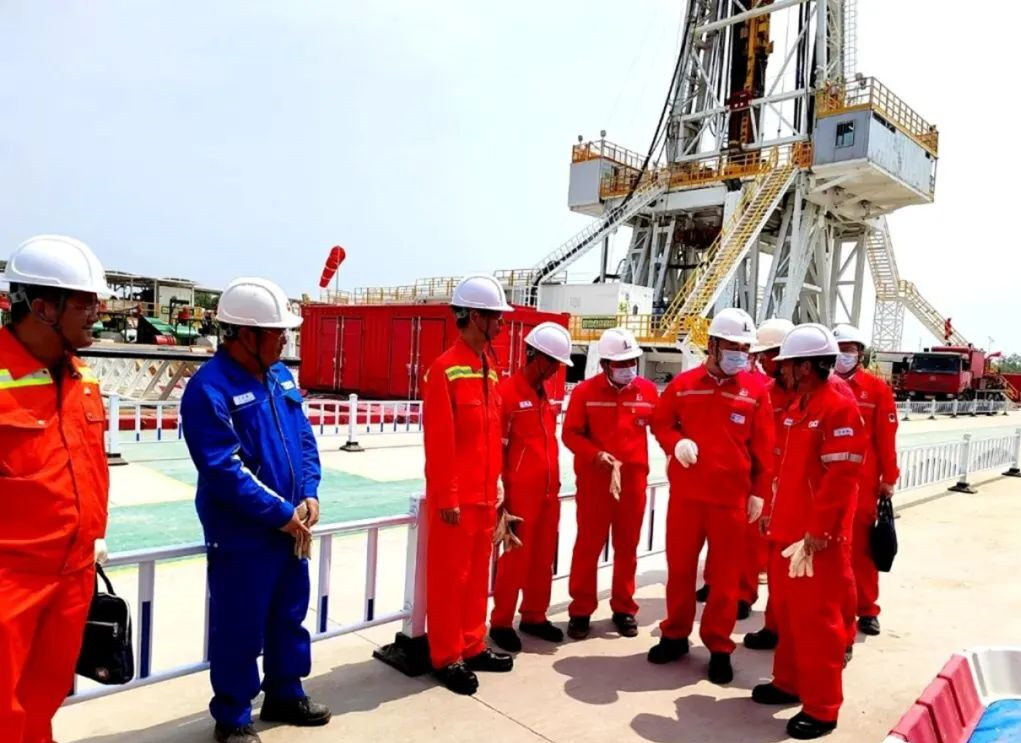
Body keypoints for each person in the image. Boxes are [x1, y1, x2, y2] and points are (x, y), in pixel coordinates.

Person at [181, 277, 329, 743]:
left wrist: (309, 491)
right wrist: (279, 512)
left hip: (289, 525)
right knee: (240, 626)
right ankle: (233, 716)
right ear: (245, 334)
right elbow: (223, 468)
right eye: (277, 333)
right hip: (243, 533)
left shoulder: (280, 375)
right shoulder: (209, 389)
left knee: (289, 614)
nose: (285, 341)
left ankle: (285, 691)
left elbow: (303, 438)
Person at [0, 235, 111, 743]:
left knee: (43, 698)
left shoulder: (82, 376)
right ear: (43, 308)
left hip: (73, 574)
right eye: (84, 304)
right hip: (11, 580)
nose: (96, 314)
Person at [648, 308, 774, 684]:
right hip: (687, 498)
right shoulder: (684, 385)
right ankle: (675, 635)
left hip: (731, 501)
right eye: (733, 346)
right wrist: (675, 442)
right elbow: (661, 422)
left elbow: (764, 448)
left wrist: (759, 493)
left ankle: (719, 646)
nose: (740, 354)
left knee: (725, 579)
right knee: (680, 570)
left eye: (745, 348)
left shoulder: (755, 391)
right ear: (714, 345)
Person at [752, 323, 864, 740]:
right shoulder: (802, 404)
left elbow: (842, 476)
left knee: (817, 624)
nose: (779, 370)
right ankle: (788, 682)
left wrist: (819, 531)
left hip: (813, 540)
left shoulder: (837, 406)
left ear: (806, 366)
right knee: (789, 616)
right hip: (788, 533)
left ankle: (822, 708)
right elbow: (785, 470)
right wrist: (772, 513)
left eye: (786, 364)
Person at [422, 274, 515, 696]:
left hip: (484, 495)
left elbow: (489, 433)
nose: (502, 324)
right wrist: (447, 496)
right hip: (456, 500)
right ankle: (447, 656)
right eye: (496, 316)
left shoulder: (488, 369)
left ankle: (473, 644)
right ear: (476, 317)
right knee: (450, 580)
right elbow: (440, 443)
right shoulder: (444, 370)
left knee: (477, 578)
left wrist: (497, 485)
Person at [562, 327, 659, 640]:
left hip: (633, 482)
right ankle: (580, 610)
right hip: (595, 482)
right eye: (621, 363)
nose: (628, 368)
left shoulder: (647, 391)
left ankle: (624, 608)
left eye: (632, 361)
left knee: (627, 548)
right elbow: (570, 434)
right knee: (588, 547)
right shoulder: (584, 393)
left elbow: (663, 427)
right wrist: (595, 455)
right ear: (604, 364)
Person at [489, 322, 574, 652]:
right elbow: (497, 448)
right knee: (515, 559)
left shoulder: (544, 396)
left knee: (543, 558)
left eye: (558, 363)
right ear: (532, 354)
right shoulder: (507, 394)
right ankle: (501, 621)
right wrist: (501, 494)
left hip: (548, 492)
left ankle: (535, 615)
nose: (554, 369)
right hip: (519, 495)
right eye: (550, 361)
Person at [832, 323, 899, 637]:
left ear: (860, 353)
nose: (843, 354)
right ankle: (832, 605)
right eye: (838, 349)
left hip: (862, 483)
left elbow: (886, 437)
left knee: (861, 550)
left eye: (849, 349)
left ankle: (867, 609)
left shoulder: (875, 389)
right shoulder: (819, 385)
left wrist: (889, 477)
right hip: (823, 481)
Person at [743, 317, 795, 651]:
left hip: (805, 493)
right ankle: (774, 625)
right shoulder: (766, 394)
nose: (761, 362)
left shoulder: (830, 395)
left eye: (767, 355)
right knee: (775, 564)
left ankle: (838, 638)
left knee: (818, 573)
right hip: (772, 488)